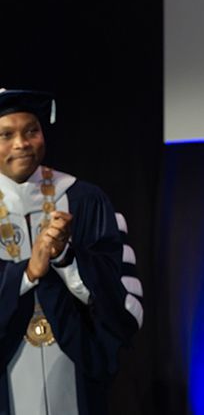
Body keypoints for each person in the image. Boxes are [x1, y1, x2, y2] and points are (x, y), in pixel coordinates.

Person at [0, 89, 139, 415]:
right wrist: (27, 273)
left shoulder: (85, 199)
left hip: (75, 363)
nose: (21, 143)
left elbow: (119, 295)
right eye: (6, 135)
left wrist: (65, 257)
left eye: (31, 131)